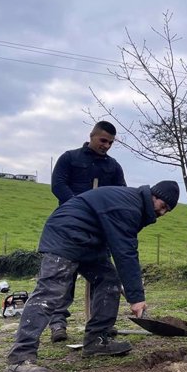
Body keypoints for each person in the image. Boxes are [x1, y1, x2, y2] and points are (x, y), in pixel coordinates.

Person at [6, 181, 180, 372]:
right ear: (154, 196)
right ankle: (20, 359)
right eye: (164, 206)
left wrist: (127, 286)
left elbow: (113, 240)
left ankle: (96, 340)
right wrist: (136, 298)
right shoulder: (129, 207)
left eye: (168, 210)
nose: (163, 213)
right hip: (66, 235)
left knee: (109, 281)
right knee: (50, 293)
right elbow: (125, 253)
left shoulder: (135, 205)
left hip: (88, 241)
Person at [49, 120, 127, 343]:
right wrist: (80, 208)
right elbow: (58, 186)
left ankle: (99, 323)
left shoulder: (113, 167)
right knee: (65, 277)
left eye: (111, 143)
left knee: (104, 277)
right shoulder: (70, 158)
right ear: (92, 136)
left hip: (99, 231)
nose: (106, 146)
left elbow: (120, 194)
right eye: (103, 140)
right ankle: (57, 324)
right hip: (70, 228)